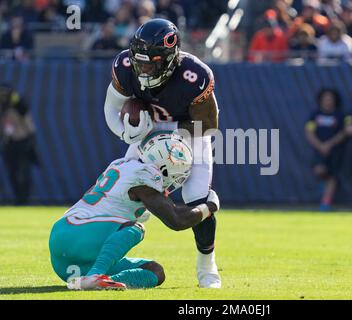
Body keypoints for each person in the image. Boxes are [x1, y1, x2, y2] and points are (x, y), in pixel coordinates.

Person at [103, 19, 221, 288]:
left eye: (150, 63)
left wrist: (165, 132)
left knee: (196, 197)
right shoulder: (125, 67)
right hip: (147, 133)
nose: (142, 70)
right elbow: (111, 109)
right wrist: (125, 133)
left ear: (169, 58)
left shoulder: (194, 76)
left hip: (191, 134)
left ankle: (207, 265)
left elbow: (209, 126)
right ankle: (103, 260)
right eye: (139, 62)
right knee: (122, 194)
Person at [49, 132, 220, 290]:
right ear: (165, 167)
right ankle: (96, 274)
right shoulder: (144, 176)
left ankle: (101, 280)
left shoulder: (122, 164)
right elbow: (176, 220)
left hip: (67, 256)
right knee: (135, 229)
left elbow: (92, 197)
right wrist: (209, 207)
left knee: (155, 272)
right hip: (77, 236)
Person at [305, 89, 346, 212]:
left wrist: (330, 144)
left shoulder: (339, 115)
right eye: (325, 98)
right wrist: (320, 146)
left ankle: (325, 203)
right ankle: (324, 187)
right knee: (320, 171)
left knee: (332, 176)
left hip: (335, 150)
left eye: (330, 98)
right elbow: (308, 131)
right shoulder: (315, 114)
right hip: (319, 150)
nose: (328, 101)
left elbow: (344, 132)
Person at [0, 83, 38, 205]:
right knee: (12, 173)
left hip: (22, 142)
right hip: (8, 143)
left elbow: (29, 125)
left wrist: (31, 141)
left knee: (23, 172)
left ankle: (24, 199)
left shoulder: (19, 105)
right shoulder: (2, 107)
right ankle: (18, 199)